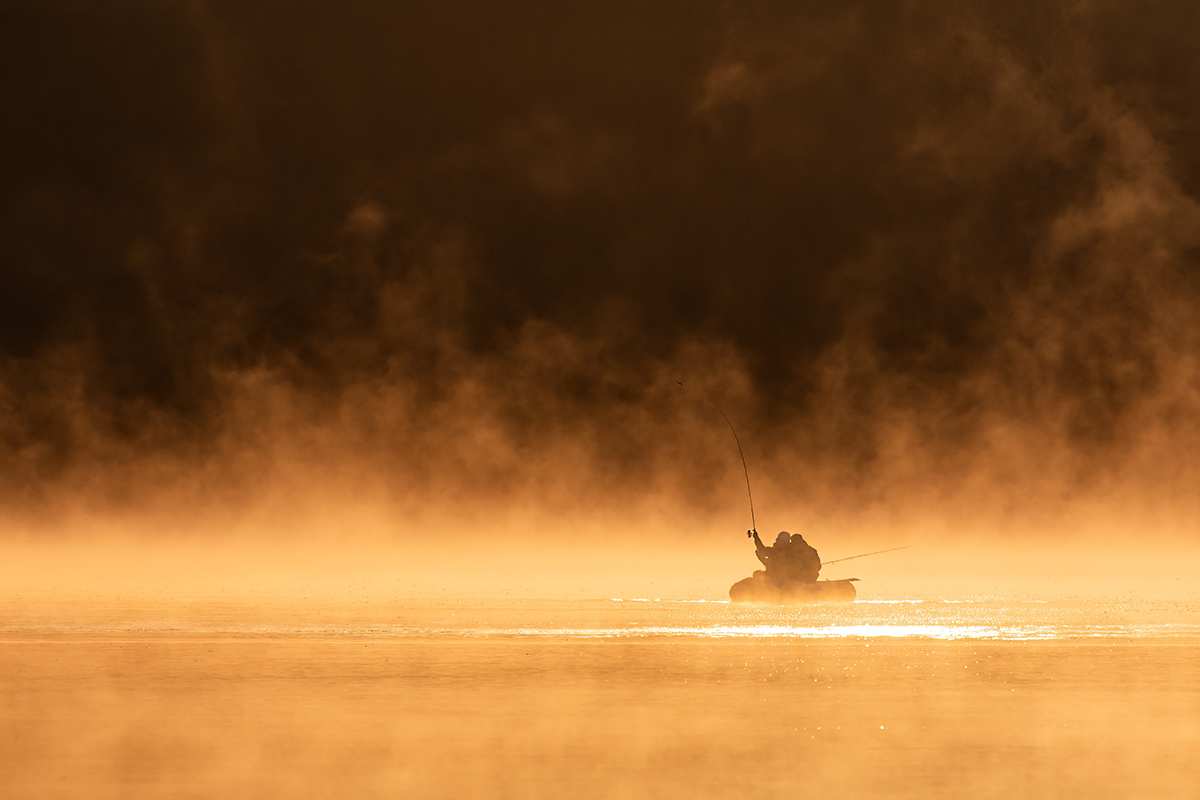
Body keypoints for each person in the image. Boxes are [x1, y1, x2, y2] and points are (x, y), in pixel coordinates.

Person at [749, 530, 821, 585]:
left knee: (757, 574)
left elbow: (763, 551)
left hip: (781, 578)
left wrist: (756, 538)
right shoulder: (794, 551)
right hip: (804, 578)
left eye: (777, 539)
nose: (776, 541)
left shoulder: (778, 551)